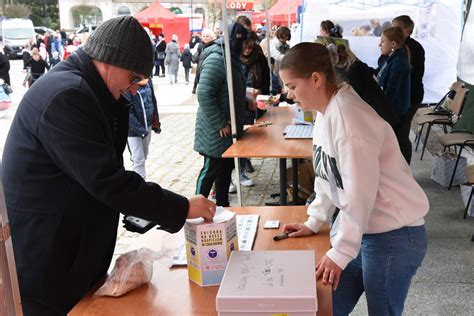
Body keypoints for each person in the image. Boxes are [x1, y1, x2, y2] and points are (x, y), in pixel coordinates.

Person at [2, 16, 216, 315]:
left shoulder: (87, 89)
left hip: (69, 249)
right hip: (48, 257)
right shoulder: (68, 95)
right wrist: (181, 207)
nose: (135, 88)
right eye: (134, 78)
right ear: (109, 61)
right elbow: (108, 181)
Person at [279, 42, 428, 316]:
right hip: (363, 231)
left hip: (393, 234)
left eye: (292, 86)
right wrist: (315, 220)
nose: (289, 95)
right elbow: (328, 177)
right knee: (324, 307)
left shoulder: (348, 118)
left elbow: (359, 193)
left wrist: (341, 250)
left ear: (315, 79)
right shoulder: (327, 112)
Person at [194, 23, 247, 207]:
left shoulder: (229, 57)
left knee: (225, 169)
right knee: (211, 169)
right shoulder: (218, 59)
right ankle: (195, 206)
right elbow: (204, 93)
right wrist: (219, 123)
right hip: (215, 130)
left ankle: (222, 206)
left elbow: (230, 90)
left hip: (226, 128)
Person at [376, 26, 412, 164]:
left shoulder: (398, 62)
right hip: (394, 110)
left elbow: (391, 92)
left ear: (393, 44)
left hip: (397, 112)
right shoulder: (389, 58)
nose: (380, 44)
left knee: (399, 143)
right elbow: (377, 74)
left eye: (383, 41)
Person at [392, 15, 425, 164]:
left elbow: (409, 76)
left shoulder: (413, 48)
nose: (394, 31)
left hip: (411, 96)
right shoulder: (398, 47)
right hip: (404, 96)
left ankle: (405, 171)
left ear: (409, 30)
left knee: (402, 134)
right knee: (398, 133)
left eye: (398, 29)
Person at [125, 78, 161, 179]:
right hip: (132, 131)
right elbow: (128, 111)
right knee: (138, 158)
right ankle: (140, 184)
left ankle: (139, 181)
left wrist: (156, 122)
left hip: (147, 126)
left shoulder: (148, 80)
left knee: (144, 156)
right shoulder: (129, 81)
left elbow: (153, 101)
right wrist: (140, 130)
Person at [191, 28, 216, 94]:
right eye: (204, 36)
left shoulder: (214, 45)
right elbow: (198, 55)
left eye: (207, 36)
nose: (205, 38)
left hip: (209, 67)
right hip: (200, 66)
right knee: (198, 80)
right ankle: (195, 88)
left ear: (211, 37)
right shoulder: (200, 45)